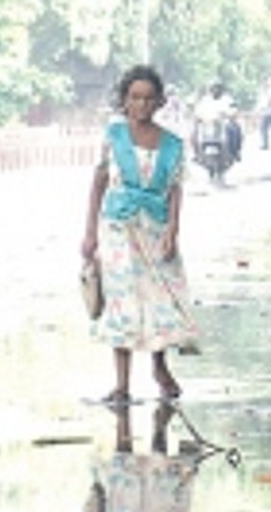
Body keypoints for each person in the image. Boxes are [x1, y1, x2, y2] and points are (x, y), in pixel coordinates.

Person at [81, 65, 198, 406]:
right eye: (135, 97)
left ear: (159, 102)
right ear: (125, 101)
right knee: (121, 303)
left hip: (156, 229)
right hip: (118, 229)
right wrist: (89, 232)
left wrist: (173, 231)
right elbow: (99, 182)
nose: (142, 104)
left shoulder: (173, 145)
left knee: (159, 300)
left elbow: (175, 190)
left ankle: (160, 369)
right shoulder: (113, 136)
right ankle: (121, 385)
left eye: (148, 98)